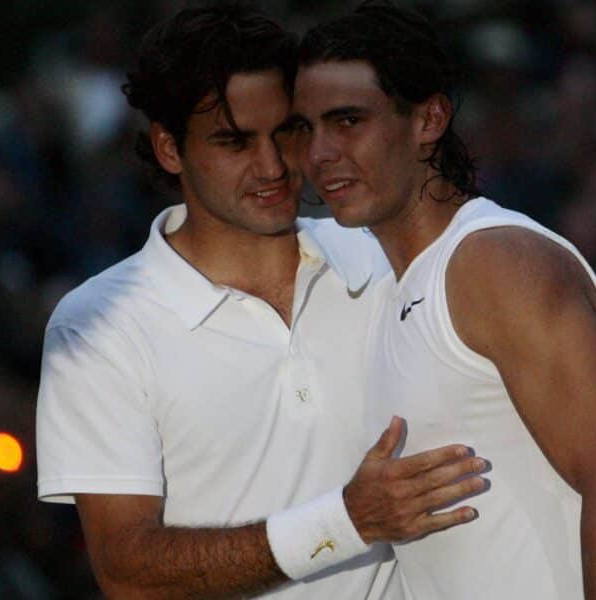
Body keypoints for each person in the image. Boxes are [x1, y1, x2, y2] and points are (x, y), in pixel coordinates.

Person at [35, 3, 487, 598]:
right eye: (234, 141)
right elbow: (127, 569)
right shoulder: (97, 325)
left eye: (287, 131)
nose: (273, 166)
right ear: (169, 149)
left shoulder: (383, 260)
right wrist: (346, 522)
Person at [294, 3, 596, 599]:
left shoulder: (495, 264)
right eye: (306, 128)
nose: (319, 154)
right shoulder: (395, 288)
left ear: (429, 119)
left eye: (347, 122)